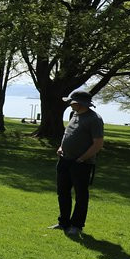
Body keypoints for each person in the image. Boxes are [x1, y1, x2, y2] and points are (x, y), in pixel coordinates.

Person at [51, 89, 104, 238]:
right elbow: (67, 134)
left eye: (72, 101)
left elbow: (98, 143)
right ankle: (64, 222)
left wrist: (82, 158)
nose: (69, 103)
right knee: (62, 192)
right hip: (64, 160)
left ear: (79, 103)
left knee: (81, 195)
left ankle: (76, 225)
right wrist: (61, 147)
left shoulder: (94, 119)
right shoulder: (73, 114)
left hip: (82, 163)